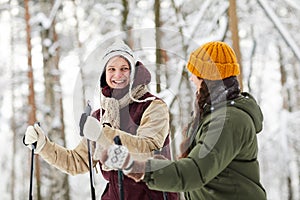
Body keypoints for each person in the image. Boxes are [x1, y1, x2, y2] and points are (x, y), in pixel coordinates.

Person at [100, 41, 267, 200]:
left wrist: (137, 167)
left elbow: (194, 171)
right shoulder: (214, 115)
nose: (192, 79)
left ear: (208, 78)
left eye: (195, 75)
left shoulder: (228, 121)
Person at [24, 40, 178, 200]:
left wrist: (103, 135)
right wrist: (43, 146)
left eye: (124, 69)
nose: (118, 75)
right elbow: (77, 161)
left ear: (133, 72)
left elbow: (148, 150)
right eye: (111, 69)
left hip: (153, 195)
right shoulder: (100, 116)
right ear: (104, 74)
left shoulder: (152, 106)